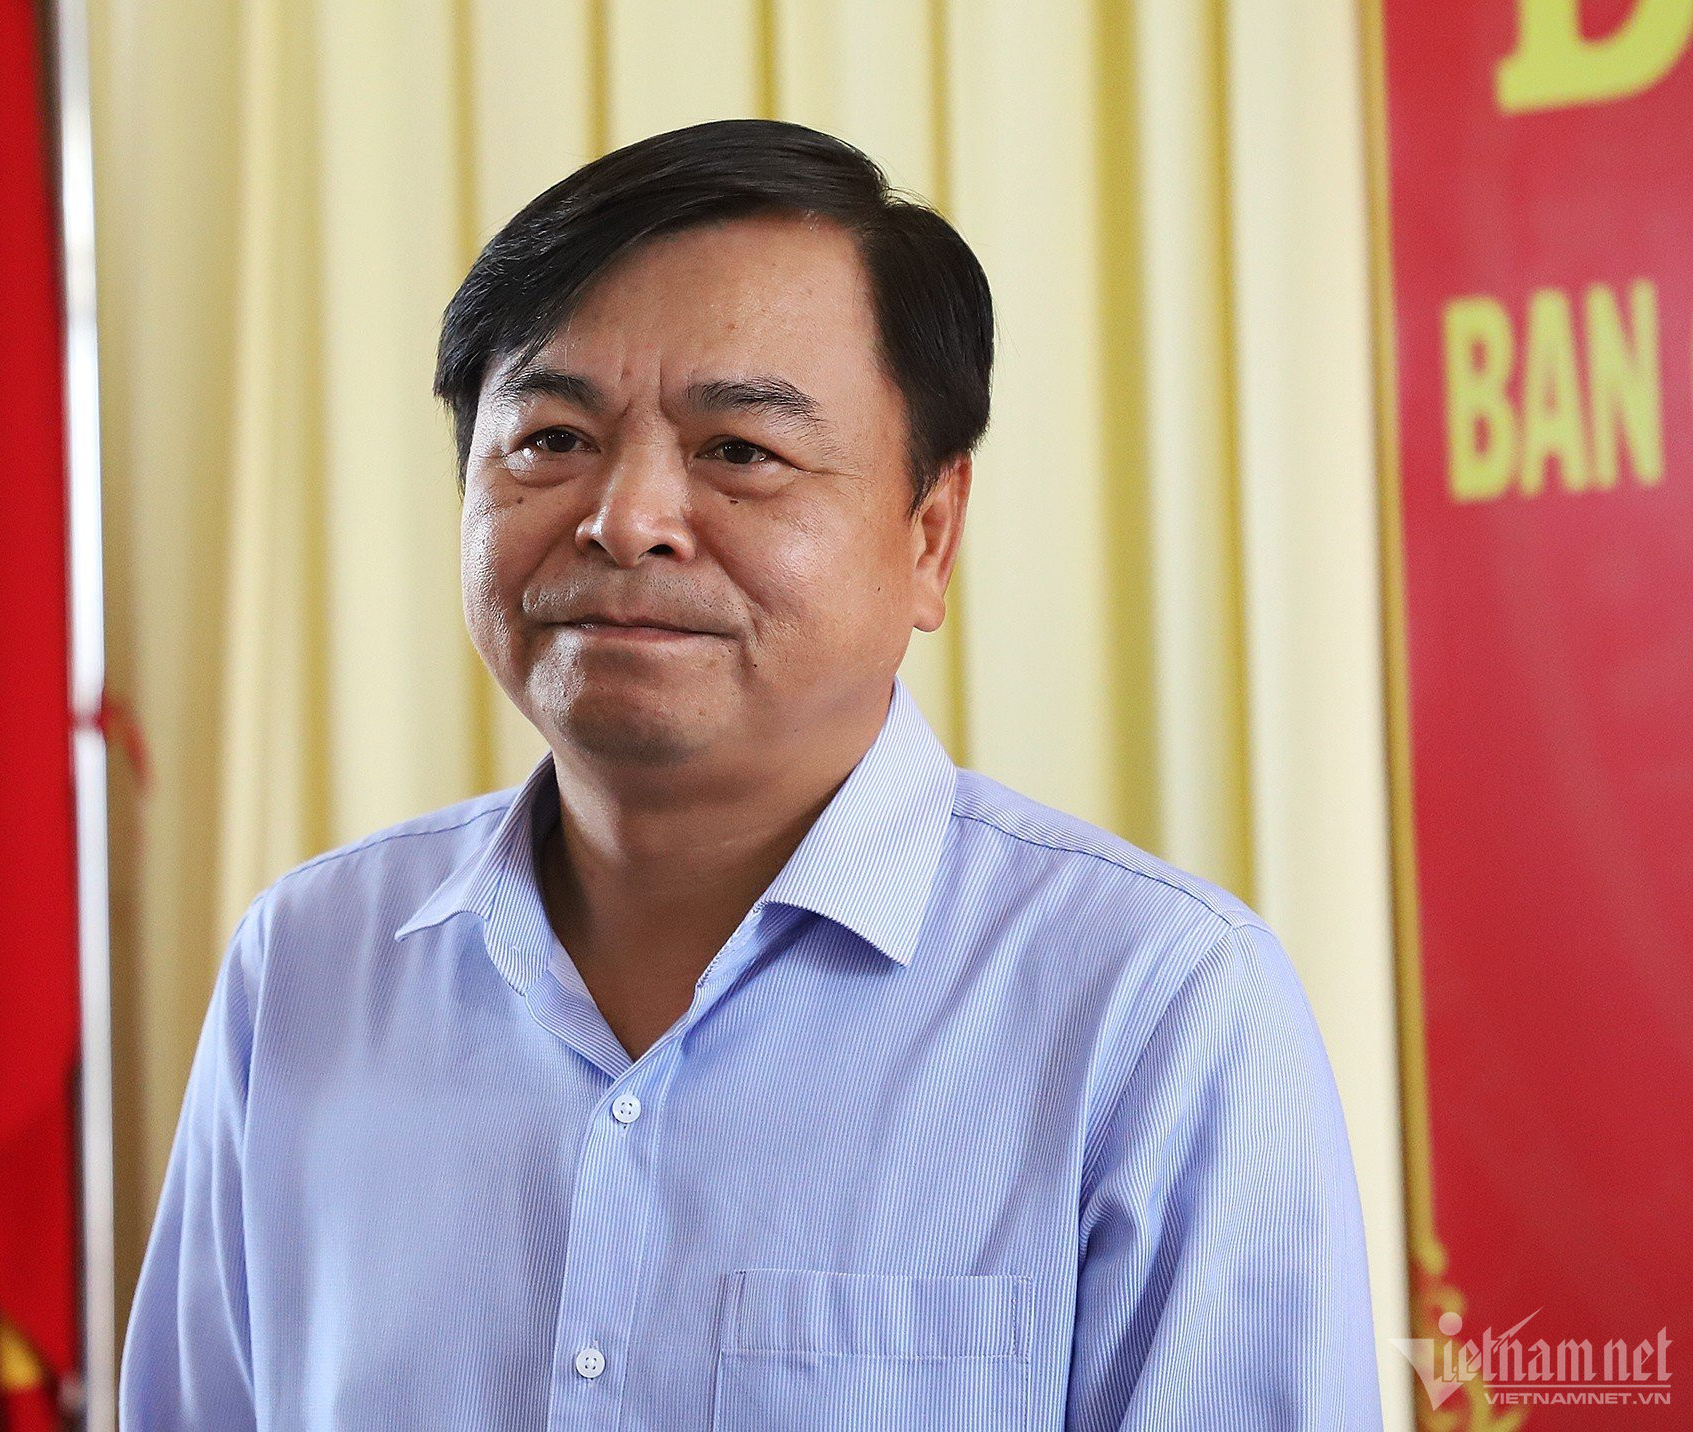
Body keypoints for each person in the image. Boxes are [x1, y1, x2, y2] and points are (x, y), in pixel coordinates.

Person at [120, 117, 1384, 1429]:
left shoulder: (1154, 1009)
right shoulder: (312, 965)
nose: (626, 520)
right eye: (551, 438)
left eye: (739, 452)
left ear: (930, 534)